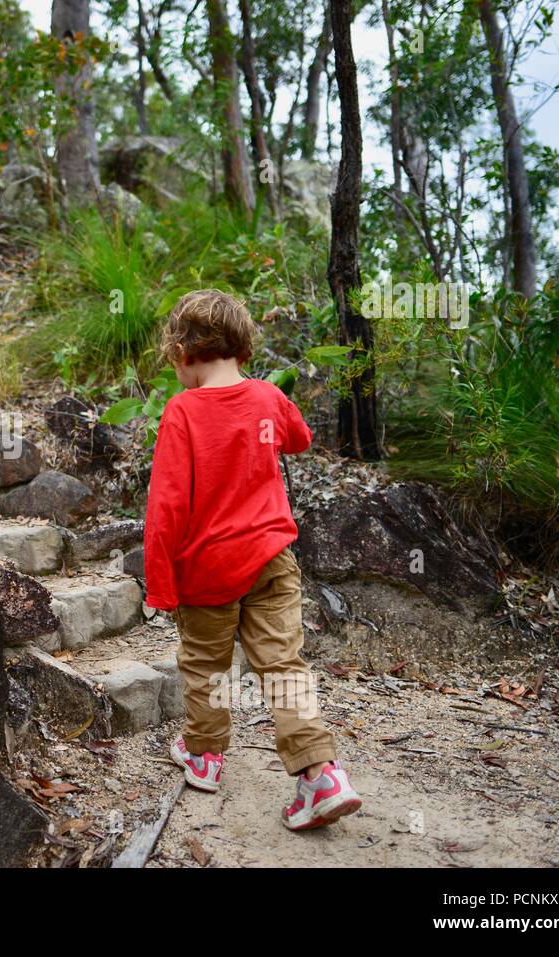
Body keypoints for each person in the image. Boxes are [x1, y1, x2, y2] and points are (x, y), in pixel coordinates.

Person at [144, 289, 363, 831]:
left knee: (206, 667)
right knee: (283, 665)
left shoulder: (182, 411)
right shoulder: (266, 396)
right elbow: (300, 438)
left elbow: (166, 507)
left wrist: (160, 587)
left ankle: (205, 756)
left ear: (181, 350)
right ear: (242, 349)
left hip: (207, 569)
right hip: (271, 558)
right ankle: (321, 775)